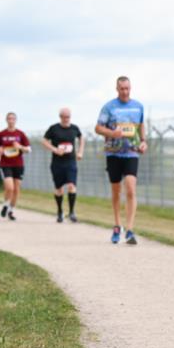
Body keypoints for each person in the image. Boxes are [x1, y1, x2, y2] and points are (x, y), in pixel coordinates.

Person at [95, 76, 146, 244]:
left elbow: (140, 127)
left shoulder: (138, 106)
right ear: (117, 89)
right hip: (113, 153)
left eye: (127, 88)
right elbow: (98, 128)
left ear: (130, 88)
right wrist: (112, 133)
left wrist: (144, 142)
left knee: (131, 189)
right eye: (122, 89)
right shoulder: (109, 107)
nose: (125, 91)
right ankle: (117, 225)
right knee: (116, 191)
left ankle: (130, 229)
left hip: (131, 153)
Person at [42, 108, 84, 223]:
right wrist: (54, 149)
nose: (66, 119)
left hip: (70, 162)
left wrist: (80, 152)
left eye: (68, 117)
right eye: (63, 117)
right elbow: (44, 141)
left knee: (71, 186)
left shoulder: (74, 128)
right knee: (59, 189)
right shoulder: (54, 128)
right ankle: (60, 211)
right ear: (60, 117)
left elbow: (81, 138)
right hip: (57, 163)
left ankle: (71, 212)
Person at [0, 112, 31, 221]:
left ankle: (11, 210)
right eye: (9, 119)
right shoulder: (1, 134)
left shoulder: (20, 134)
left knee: (16, 189)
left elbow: (29, 149)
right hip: (5, 164)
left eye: (13, 119)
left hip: (18, 164)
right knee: (9, 187)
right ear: (6, 120)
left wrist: (20, 146)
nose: (11, 120)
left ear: (15, 120)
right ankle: (5, 205)